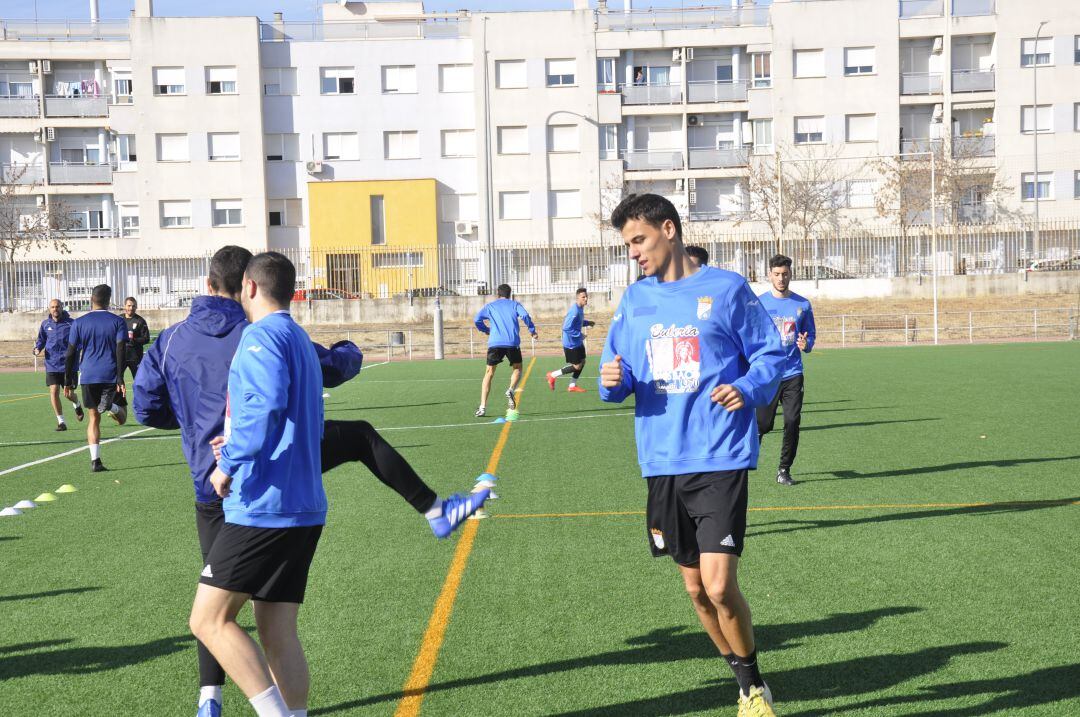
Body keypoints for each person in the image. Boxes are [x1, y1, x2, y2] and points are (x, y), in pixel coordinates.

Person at [134, 246, 487, 717]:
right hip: (302, 502)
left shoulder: (246, 338)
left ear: (246, 287)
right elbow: (306, 390)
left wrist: (226, 457)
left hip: (256, 500)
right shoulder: (293, 336)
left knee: (209, 617)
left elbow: (255, 411)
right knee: (276, 629)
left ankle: (225, 702)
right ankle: (434, 510)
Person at [599, 193, 784, 717]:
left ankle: (753, 689)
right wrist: (612, 382)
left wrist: (746, 387)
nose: (634, 252)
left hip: (720, 453)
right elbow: (617, 379)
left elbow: (771, 353)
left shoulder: (726, 289)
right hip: (662, 460)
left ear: (670, 229)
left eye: (639, 240)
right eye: (628, 245)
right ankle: (741, 678)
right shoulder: (635, 302)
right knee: (696, 590)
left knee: (721, 585)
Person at [756, 255, 816, 487]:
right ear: (769, 275)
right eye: (777, 274)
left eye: (785, 274)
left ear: (791, 274)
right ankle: (746, 460)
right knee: (762, 424)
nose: (781, 278)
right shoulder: (759, 303)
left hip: (793, 373)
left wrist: (806, 344)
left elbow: (809, 335)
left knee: (792, 421)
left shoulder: (802, 304)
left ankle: (784, 469)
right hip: (767, 374)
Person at [64, 284, 128, 472]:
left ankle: (95, 461)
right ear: (109, 300)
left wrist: (69, 380)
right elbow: (120, 349)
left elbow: (70, 353)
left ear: (91, 299)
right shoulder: (118, 321)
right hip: (109, 375)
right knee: (122, 418)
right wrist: (120, 377)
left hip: (88, 375)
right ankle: (111, 406)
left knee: (93, 417)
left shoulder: (78, 323)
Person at [473, 283, 537, 417]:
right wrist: (532, 330)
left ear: (498, 294)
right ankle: (511, 389)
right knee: (518, 368)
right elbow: (525, 316)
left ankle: (482, 407)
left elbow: (477, 319)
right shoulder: (515, 304)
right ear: (510, 294)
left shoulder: (490, 306)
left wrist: (486, 330)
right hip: (512, 343)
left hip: (495, 343)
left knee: (489, 373)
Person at [33, 298, 83, 431]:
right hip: (52, 364)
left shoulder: (72, 324)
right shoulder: (45, 324)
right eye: (53, 307)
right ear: (50, 309)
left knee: (68, 394)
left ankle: (77, 404)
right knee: (54, 391)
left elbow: (80, 341)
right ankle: (61, 422)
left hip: (69, 365)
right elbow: (41, 340)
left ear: (62, 308)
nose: (55, 309)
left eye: (57, 306)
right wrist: (37, 348)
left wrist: (77, 350)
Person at [547, 287, 595, 393]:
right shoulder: (574, 311)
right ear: (577, 298)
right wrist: (579, 335)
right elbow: (566, 327)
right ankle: (552, 375)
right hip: (571, 343)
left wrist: (588, 323)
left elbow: (578, 322)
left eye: (587, 296)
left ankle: (572, 385)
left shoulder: (580, 308)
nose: (586, 299)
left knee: (583, 361)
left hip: (577, 342)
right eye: (583, 297)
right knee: (577, 366)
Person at [120, 296, 150, 380]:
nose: (131, 308)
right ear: (125, 306)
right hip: (121, 356)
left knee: (139, 380)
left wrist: (134, 340)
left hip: (135, 357)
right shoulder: (119, 319)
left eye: (133, 306)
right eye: (129, 305)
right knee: (117, 381)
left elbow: (146, 338)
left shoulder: (140, 321)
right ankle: (120, 393)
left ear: (136, 307)